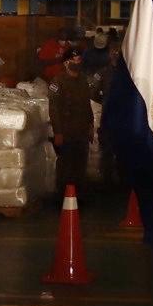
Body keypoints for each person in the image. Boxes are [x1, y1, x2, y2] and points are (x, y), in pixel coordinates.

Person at [48, 53, 95, 198]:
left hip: (81, 130)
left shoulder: (83, 80)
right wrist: (58, 132)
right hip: (66, 130)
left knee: (80, 164)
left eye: (78, 59)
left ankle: (79, 196)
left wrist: (90, 126)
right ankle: (64, 196)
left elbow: (87, 105)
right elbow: (54, 109)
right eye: (73, 59)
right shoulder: (58, 82)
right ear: (65, 63)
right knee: (66, 165)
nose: (76, 61)